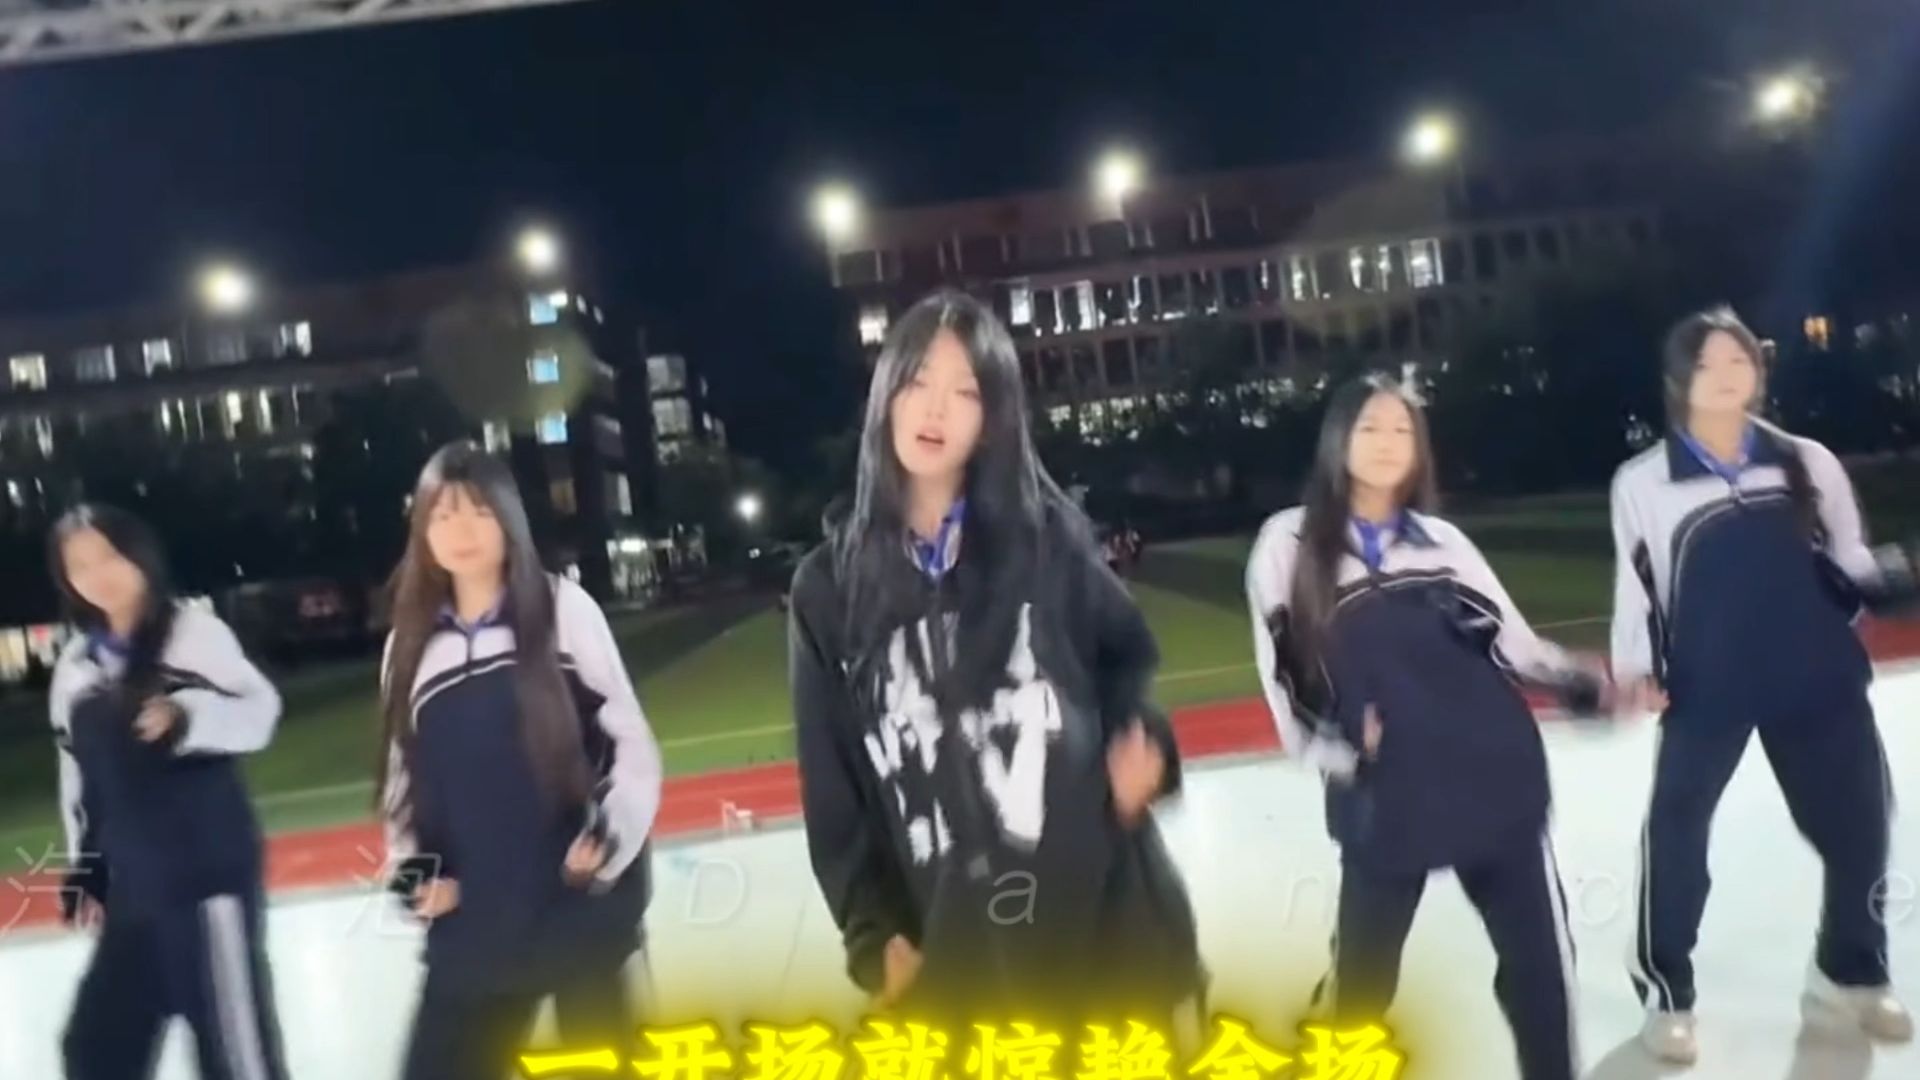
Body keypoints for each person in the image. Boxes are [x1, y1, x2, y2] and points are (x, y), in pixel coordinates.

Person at [788, 290, 1205, 1041]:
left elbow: (1123, 667)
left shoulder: (1047, 540)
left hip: (1117, 942)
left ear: (992, 419)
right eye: (918, 381)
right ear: (886, 395)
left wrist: (1144, 745)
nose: (935, 409)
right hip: (960, 969)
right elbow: (833, 787)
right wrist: (872, 937)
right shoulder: (827, 591)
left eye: (965, 392)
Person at [1245, 374, 1605, 1080]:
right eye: (1370, 427)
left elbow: (1513, 644)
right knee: (1361, 988)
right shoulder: (1288, 542)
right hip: (1385, 798)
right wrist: (1343, 747)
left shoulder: (1443, 543)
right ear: (1338, 440)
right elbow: (1285, 676)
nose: (1387, 443)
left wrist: (1583, 681)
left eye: (1402, 430)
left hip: (1494, 779)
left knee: (1540, 970)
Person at [1611, 307, 1919, 1064]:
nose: (1726, 374)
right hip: (1707, 685)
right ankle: (1667, 992)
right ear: (1678, 379)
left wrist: (1898, 574)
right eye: (1707, 362)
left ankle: (1851, 971)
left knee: (1861, 827)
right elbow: (1638, 586)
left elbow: (1849, 560)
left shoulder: (1808, 462)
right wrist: (1636, 666)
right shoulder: (1643, 482)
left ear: (1758, 370)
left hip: (1816, 676)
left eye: (1739, 360)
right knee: (1679, 835)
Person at [376, 443, 663, 1080]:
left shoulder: (563, 609)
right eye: (443, 515)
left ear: (509, 517)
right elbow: (403, 782)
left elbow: (630, 743)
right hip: (475, 926)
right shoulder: (408, 648)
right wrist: (416, 876)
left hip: (580, 912)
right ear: (422, 531)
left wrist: (609, 840)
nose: (462, 530)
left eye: (479, 511)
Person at [47, 504, 292, 1080]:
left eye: (110, 556)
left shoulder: (191, 634)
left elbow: (260, 711)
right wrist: (87, 865)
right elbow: (77, 776)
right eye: (80, 565)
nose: (98, 574)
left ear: (141, 556)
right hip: (133, 894)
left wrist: (186, 718)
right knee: (96, 1049)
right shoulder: (76, 667)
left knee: (235, 1057)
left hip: (206, 885)